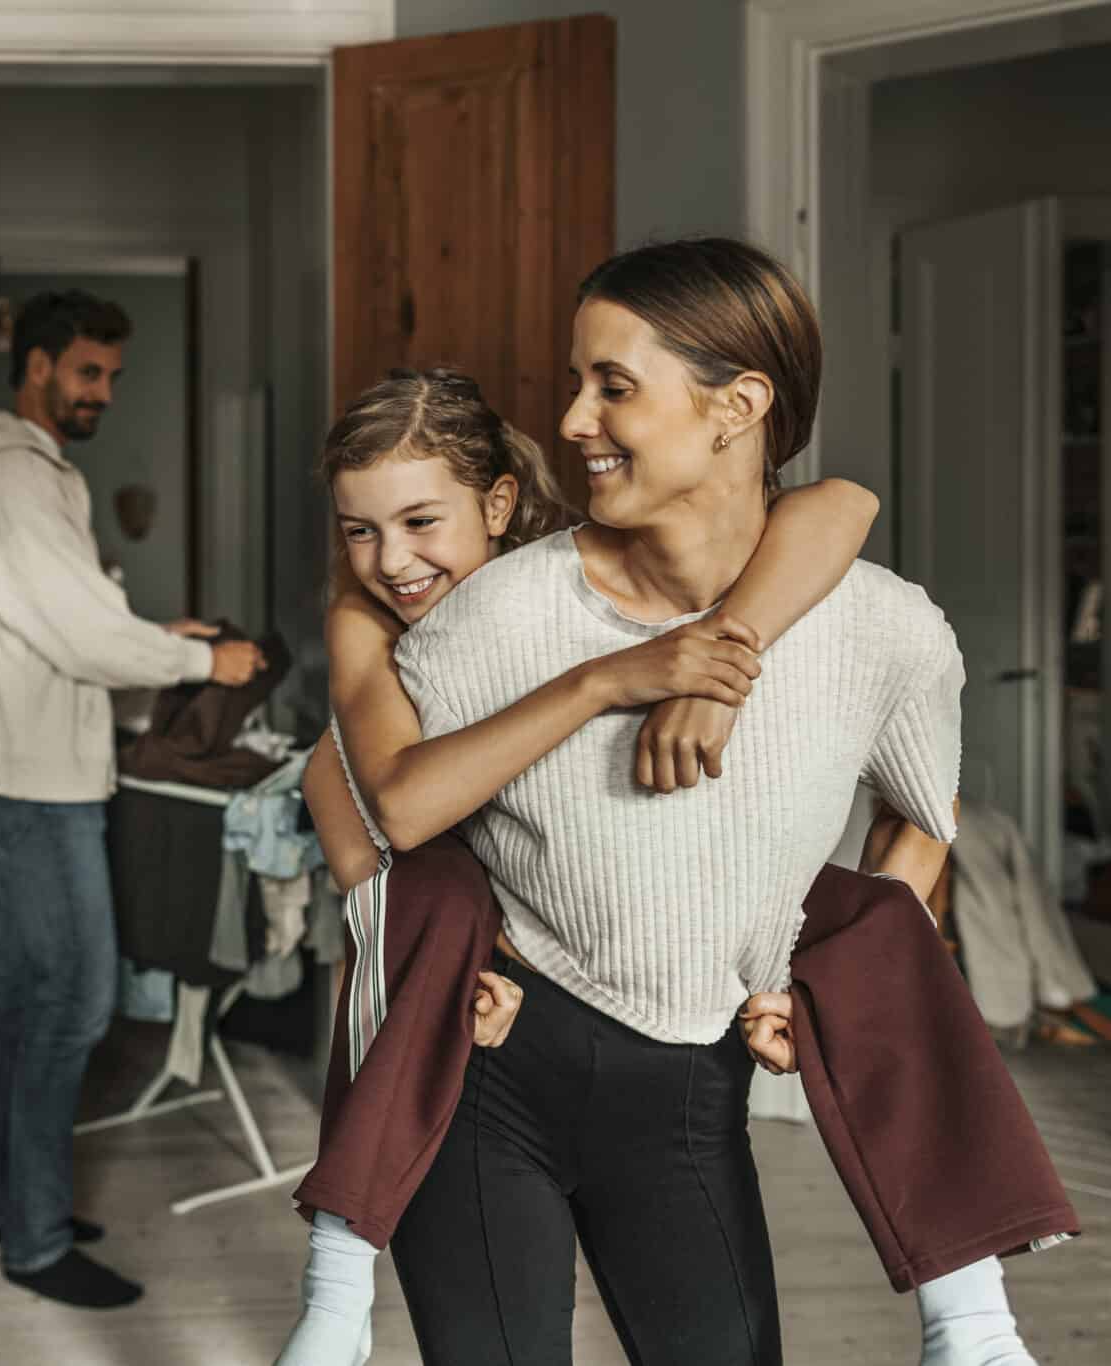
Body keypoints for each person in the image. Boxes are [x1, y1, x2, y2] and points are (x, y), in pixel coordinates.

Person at [371, 240, 1045, 1365]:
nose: (575, 420)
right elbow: (378, 800)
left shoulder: (884, 628)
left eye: (612, 386)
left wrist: (831, 978)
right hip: (489, 1068)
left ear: (736, 406)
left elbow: (924, 816)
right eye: (576, 381)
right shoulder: (501, 612)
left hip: (689, 1087)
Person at [275, 367, 882, 1365]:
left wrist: (719, 669)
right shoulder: (366, 620)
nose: (390, 560)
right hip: (465, 985)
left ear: (500, 502)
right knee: (392, 854)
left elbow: (841, 500)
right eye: (358, 530)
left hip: (654, 1019)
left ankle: (970, 1308)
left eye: (421, 521)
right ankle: (338, 1266)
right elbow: (392, 808)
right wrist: (607, 682)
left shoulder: (590, 568)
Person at [0, 289, 266, 1310]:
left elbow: (61, 620)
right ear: (34, 367)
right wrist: (206, 655)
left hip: (18, 764)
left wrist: (155, 631)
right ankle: (30, 1241)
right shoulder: (17, 481)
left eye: (110, 377)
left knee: (20, 993)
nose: (101, 393)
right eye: (86, 372)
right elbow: (77, 636)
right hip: (37, 778)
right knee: (74, 998)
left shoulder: (14, 479)